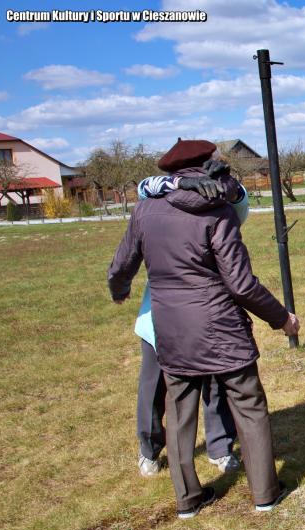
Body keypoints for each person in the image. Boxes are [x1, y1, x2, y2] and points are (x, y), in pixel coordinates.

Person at [108, 139, 300, 518]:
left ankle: (188, 501)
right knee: (248, 404)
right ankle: (264, 493)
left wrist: (120, 289)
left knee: (179, 411)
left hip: (171, 329)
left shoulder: (145, 209)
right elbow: (241, 284)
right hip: (221, 327)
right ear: (208, 165)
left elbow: (122, 263)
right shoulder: (219, 211)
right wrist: (282, 319)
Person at [132, 157, 247, 477]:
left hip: (207, 316)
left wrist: (230, 182)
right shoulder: (154, 204)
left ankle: (220, 447)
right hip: (159, 319)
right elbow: (143, 188)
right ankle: (150, 449)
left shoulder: (218, 208)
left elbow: (240, 205)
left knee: (215, 382)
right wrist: (179, 184)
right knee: (153, 386)